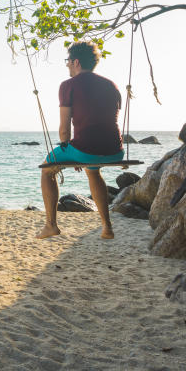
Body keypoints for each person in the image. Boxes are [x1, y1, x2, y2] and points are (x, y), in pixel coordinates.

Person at [36, 41, 124, 240]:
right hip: (116, 150)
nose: (67, 64)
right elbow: (102, 119)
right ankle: (107, 228)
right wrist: (77, 153)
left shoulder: (68, 86)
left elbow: (64, 130)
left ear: (76, 62)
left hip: (84, 150)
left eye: (68, 61)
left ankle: (50, 225)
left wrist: (72, 152)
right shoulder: (111, 85)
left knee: (47, 168)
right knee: (93, 170)